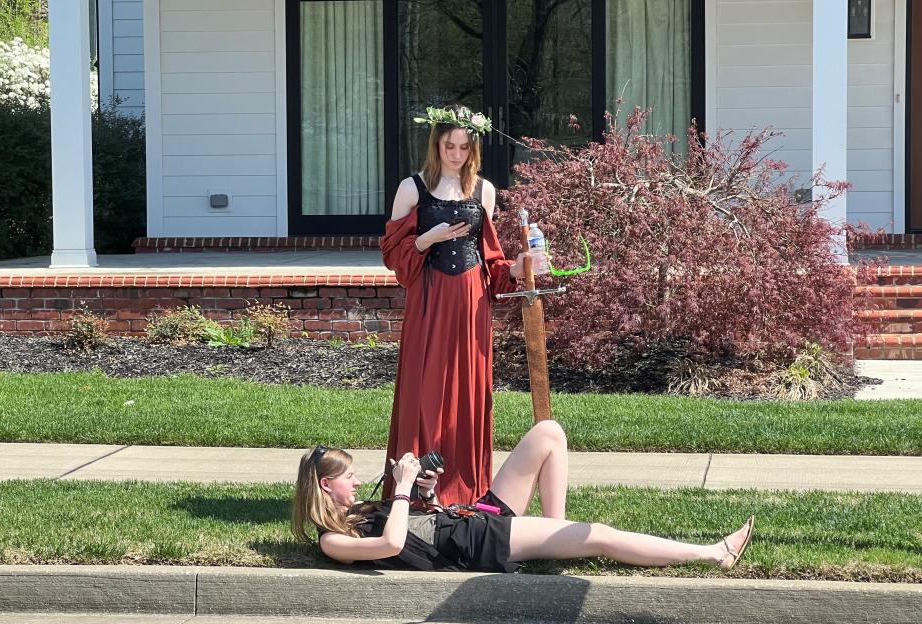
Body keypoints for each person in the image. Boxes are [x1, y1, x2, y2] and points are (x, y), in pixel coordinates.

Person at [292, 421, 755, 573]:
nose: (354, 483)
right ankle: (713, 553)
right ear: (324, 487)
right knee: (602, 535)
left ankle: (557, 537)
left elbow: (417, 527)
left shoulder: (358, 510)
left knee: (548, 433)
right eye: (348, 477)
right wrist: (400, 491)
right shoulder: (332, 541)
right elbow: (393, 545)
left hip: (471, 517)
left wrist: (424, 494)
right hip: (481, 542)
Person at [380, 104, 542, 507]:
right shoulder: (412, 188)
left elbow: (493, 260)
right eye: (449, 145)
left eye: (464, 147)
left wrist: (522, 267)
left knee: (469, 390)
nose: (456, 153)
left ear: (474, 149)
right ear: (436, 144)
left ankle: (464, 489)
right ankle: (415, 493)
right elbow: (391, 254)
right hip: (429, 298)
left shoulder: (483, 191)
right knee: (426, 388)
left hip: (470, 300)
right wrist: (427, 238)